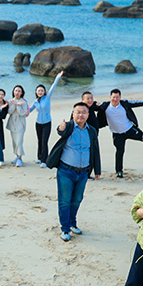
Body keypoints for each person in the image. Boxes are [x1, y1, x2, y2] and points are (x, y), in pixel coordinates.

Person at [46, 102, 101, 241]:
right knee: (65, 201)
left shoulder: (91, 131)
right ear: (73, 114)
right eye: (78, 112)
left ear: (88, 115)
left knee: (77, 199)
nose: (81, 115)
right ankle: (65, 229)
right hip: (66, 170)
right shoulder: (69, 126)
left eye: (84, 112)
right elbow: (61, 131)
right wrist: (61, 128)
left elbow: (95, 150)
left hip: (83, 172)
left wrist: (97, 169)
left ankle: (72, 223)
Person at [99, 88, 143, 178]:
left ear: (120, 97)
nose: (115, 99)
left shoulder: (124, 104)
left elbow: (138, 103)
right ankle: (119, 171)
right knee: (120, 152)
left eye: (117, 97)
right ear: (110, 97)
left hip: (130, 129)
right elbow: (91, 107)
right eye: (113, 97)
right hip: (117, 134)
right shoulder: (105, 106)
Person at [29, 72, 64, 168]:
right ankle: (39, 157)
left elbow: (53, 86)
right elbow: (29, 110)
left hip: (47, 123)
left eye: (42, 90)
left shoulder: (47, 97)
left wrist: (58, 77)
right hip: (38, 123)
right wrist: (20, 106)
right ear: (36, 92)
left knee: (44, 141)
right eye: (38, 91)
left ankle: (44, 160)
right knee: (39, 140)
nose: (40, 92)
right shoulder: (35, 101)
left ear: (44, 91)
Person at [79, 91, 104, 177]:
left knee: (94, 154)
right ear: (82, 100)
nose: (90, 100)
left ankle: (95, 173)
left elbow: (101, 108)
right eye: (88, 99)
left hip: (94, 135)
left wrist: (96, 104)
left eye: (91, 98)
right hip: (84, 136)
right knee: (88, 155)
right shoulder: (81, 110)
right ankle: (87, 174)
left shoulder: (92, 107)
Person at [6, 85, 30, 167]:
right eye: (16, 90)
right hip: (12, 124)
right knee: (15, 142)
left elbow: (22, 113)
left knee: (19, 142)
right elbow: (9, 112)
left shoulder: (24, 102)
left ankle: (20, 158)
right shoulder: (10, 101)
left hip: (20, 125)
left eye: (19, 91)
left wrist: (18, 105)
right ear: (13, 91)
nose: (17, 92)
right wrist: (14, 104)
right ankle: (17, 156)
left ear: (22, 93)